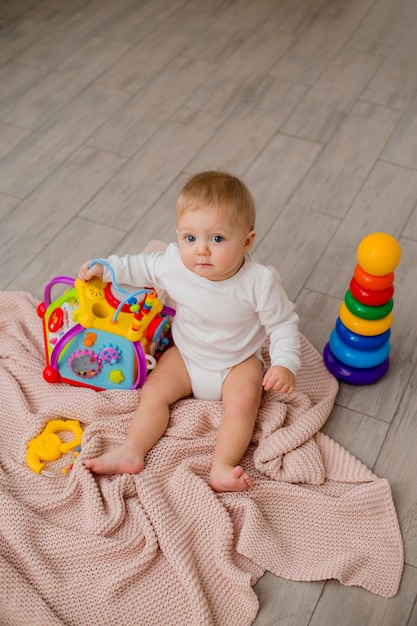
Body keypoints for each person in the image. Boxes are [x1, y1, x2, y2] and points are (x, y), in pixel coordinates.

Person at [78, 170, 300, 492]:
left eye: (218, 239)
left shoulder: (259, 282)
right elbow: (140, 265)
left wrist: (285, 363)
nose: (201, 251)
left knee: (245, 402)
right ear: (179, 236)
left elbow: (282, 323)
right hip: (187, 353)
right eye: (190, 238)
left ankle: (222, 466)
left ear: (247, 241)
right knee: (154, 392)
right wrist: (107, 268)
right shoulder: (173, 264)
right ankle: (132, 450)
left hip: (236, 362)